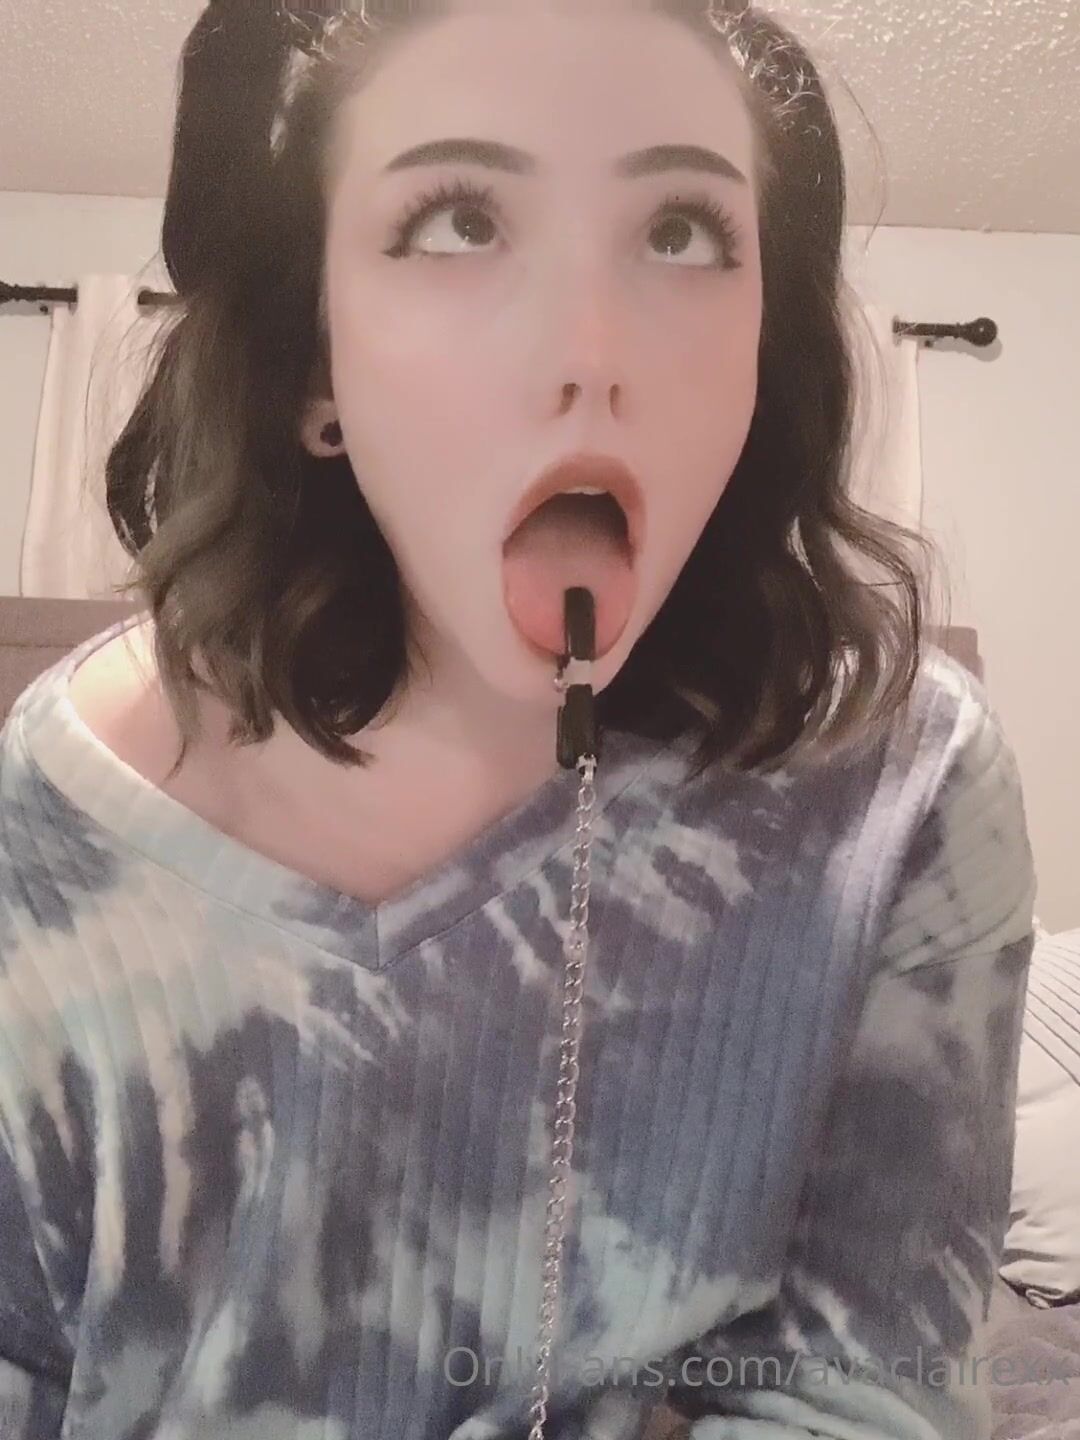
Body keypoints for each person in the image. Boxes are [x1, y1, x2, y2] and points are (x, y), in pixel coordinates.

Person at [0, 1, 1035, 1437]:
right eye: (458, 220)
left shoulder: (902, 786)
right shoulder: (52, 821)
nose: (587, 351)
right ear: (315, 366)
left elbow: (877, 1395)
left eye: (680, 231)